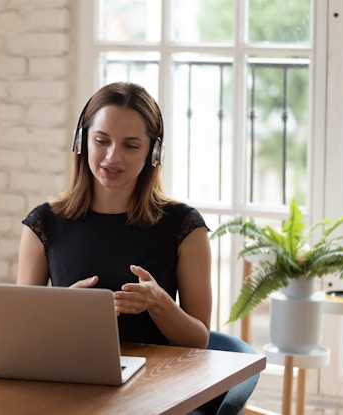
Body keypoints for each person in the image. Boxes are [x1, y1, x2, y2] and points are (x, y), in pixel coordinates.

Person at [16, 82, 212, 348]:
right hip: (68, 379)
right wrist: (59, 310)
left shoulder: (185, 227)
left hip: (156, 384)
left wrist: (159, 302)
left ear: (153, 153)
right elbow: (21, 331)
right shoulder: (43, 224)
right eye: (101, 141)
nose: (112, 157)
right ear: (81, 142)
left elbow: (199, 340)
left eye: (130, 146)